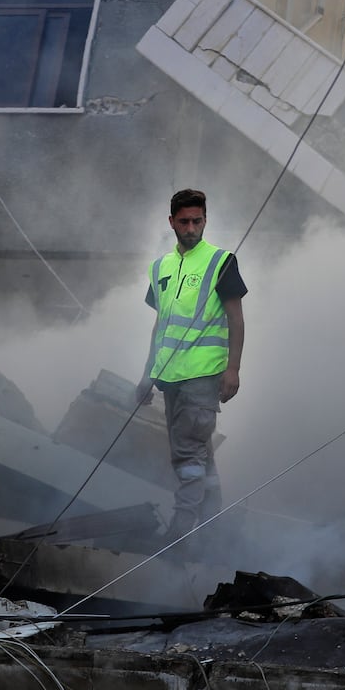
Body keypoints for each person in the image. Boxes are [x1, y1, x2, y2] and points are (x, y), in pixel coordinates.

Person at [135, 188, 247, 539]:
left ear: (205, 220)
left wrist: (233, 369)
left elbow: (236, 319)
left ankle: (179, 538)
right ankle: (215, 532)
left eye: (197, 221)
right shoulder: (161, 267)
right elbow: (161, 326)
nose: (191, 228)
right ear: (171, 222)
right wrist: (147, 375)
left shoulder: (220, 261)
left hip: (202, 378)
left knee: (187, 459)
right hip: (170, 379)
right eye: (183, 221)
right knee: (200, 457)